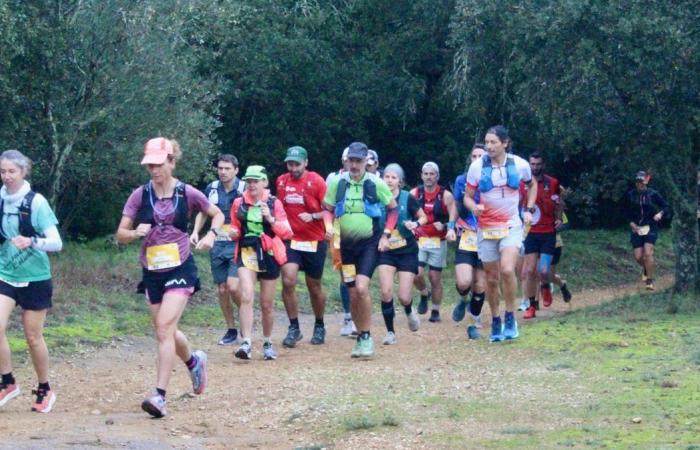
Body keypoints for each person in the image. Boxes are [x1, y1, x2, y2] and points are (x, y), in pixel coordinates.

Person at [117, 137, 221, 418]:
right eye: (149, 165)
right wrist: (134, 233)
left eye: (159, 164)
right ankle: (194, 361)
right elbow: (120, 234)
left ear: (172, 162)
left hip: (180, 268)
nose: (153, 170)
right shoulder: (140, 195)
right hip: (151, 270)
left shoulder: (187, 193)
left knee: (164, 328)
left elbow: (218, 214)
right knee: (167, 331)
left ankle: (159, 396)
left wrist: (211, 234)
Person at [0, 150, 62, 413]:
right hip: (5, 274)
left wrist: (32, 241)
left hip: (36, 278)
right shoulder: (1, 200)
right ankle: (8, 382)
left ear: (24, 172)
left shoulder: (37, 203)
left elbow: (57, 243)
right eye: (2, 171)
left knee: (33, 337)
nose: (7, 177)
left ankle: (44, 387)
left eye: (12, 171)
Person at [323, 142, 398, 358]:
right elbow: (327, 209)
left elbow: (392, 210)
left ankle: (366, 336)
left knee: (362, 288)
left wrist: (386, 235)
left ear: (366, 162)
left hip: (369, 243)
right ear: (346, 161)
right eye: (351, 161)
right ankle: (360, 335)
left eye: (358, 161)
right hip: (345, 245)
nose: (354, 165)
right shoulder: (337, 182)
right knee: (353, 292)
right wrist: (328, 227)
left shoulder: (376, 183)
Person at [464, 126, 537, 342]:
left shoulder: (520, 164)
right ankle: (495, 320)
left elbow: (532, 186)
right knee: (492, 278)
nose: (489, 146)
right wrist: (473, 207)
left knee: (507, 269)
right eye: (486, 142)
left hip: (511, 224)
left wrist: (529, 210)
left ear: (505, 143)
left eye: (493, 142)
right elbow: (467, 197)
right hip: (486, 227)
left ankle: (510, 317)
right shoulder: (477, 167)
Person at [229, 165, 293, 360]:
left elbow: (287, 232)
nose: (251, 185)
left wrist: (270, 219)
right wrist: (233, 233)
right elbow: (235, 227)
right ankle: (246, 342)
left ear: (264, 182)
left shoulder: (274, 203)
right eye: (248, 181)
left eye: (255, 181)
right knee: (247, 295)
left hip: (269, 251)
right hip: (247, 250)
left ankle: (267, 342)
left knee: (266, 304)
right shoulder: (238, 203)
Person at [276, 146, 330, 347]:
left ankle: (319, 324)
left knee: (313, 286)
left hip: (314, 240)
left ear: (306, 163)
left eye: (297, 164)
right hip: (291, 240)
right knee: (288, 280)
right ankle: (294, 327)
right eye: (290, 164)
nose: (293, 168)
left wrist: (313, 216)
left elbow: (330, 210)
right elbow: (279, 208)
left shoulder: (316, 181)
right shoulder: (282, 181)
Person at [191, 154, 245, 345]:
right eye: (220, 168)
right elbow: (204, 211)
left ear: (236, 170)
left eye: (227, 168)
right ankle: (231, 329)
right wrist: (196, 232)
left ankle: (246, 316)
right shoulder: (212, 188)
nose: (223, 172)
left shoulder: (244, 188)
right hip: (217, 243)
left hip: (238, 243)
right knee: (222, 290)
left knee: (233, 286)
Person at [376, 163, 426, 345]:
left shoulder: (408, 198)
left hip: (406, 250)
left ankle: (409, 310)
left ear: (400, 182)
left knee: (403, 296)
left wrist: (416, 224)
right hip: (385, 251)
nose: (389, 180)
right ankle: (390, 332)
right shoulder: (376, 197)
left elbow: (423, 216)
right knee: (386, 292)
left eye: (393, 177)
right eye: (387, 177)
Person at [411, 162, 457, 323]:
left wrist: (445, 225)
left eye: (432, 174)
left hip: (438, 240)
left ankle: (436, 310)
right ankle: (424, 293)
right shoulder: (415, 193)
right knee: (415, 273)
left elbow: (453, 216)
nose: (429, 177)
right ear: (421, 175)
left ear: (437, 176)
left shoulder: (445, 195)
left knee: (435, 277)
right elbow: (407, 212)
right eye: (426, 174)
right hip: (419, 239)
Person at [520, 152, 563, 319]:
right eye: (532, 164)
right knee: (530, 270)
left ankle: (545, 286)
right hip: (530, 232)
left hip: (548, 233)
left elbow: (559, 202)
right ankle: (531, 305)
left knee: (543, 271)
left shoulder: (553, 183)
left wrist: (559, 218)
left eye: (538, 164)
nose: (535, 167)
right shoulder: (523, 183)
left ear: (543, 165)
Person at [452, 145, 487, 339]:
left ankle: (474, 321)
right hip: (466, 235)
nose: (476, 159)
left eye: (480, 156)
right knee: (464, 282)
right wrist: (451, 225)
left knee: (480, 285)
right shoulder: (461, 180)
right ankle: (462, 298)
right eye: (473, 155)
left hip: (488, 235)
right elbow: (457, 205)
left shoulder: (495, 179)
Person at [326, 148, 356, 336]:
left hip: (361, 232)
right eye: (347, 160)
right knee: (345, 275)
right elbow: (327, 206)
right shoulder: (333, 178)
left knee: (359, 276)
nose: (350, 164)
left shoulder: (367, 179)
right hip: (338, 232)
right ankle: (348, 316)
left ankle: (358, 316)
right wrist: (327, 226)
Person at [627, 170, 670, 291]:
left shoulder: (653, 194)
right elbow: (625, 211)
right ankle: (647, 268)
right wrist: (631, 223)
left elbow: (666, 206)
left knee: (648, 253)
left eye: (641, 181)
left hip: (650, 226)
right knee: (638, 256)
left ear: (646, 182)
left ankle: (649, 281)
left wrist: (660, 214)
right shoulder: (631, 194)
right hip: (636, 228)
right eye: (637, 181)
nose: (639, 184)